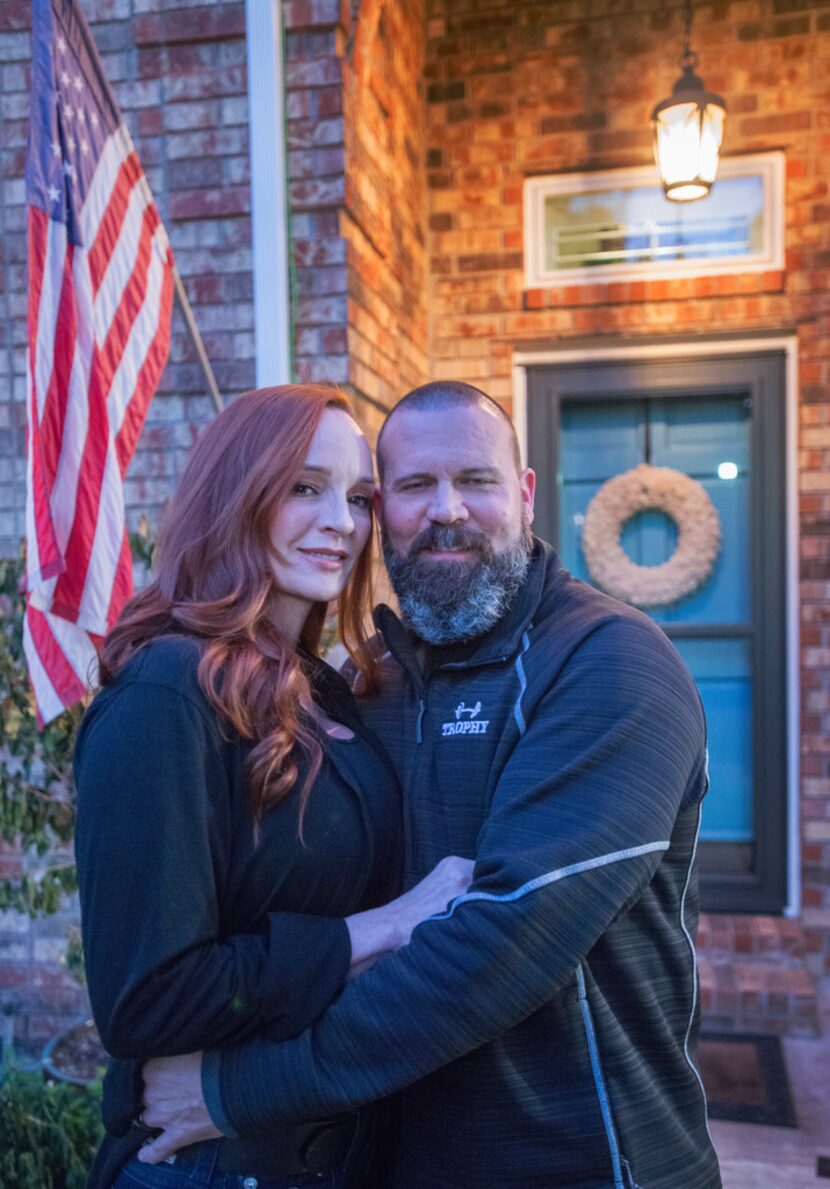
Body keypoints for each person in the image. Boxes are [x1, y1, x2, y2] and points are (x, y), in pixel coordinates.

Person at [138, 382, 723, 1189]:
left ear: (522, 493)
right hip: (385, 1157)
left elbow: (506, 943)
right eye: (413, 486)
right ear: (386, 514)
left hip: (585, 1160)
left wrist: (244, 1087)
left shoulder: (610, 664)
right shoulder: (366, 686)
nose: (445, 509)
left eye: (475, 480)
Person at [73, 384, 474, 1189]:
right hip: (210, 1167)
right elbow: (147, 998)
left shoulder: (320, 691)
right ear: (236, 495)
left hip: (327, 1147)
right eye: (303, 487)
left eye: (358, 497)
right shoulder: (167, 691)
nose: (342, 522)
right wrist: (386, 927)